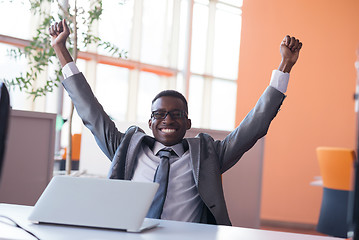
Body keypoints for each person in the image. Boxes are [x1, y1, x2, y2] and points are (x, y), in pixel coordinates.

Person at [49, 19, 302, 226]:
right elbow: (91, 114)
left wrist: (285, 66)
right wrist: (61, 50)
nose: (167, 119)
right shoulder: (126, 149)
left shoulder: (208, 156)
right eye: (159, 114)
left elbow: (253, 127)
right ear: (150, 122)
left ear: (188, 122)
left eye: (176, 114)